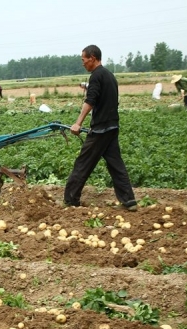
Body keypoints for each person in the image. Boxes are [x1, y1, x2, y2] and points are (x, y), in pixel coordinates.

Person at [63, 45, 138, 211]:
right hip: (112, 127)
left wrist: (78, 123)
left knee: (82, 163)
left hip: (100, 130)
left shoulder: (96, 76)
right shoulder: (110, 75)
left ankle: (70, 199)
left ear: (92, 58)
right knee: (116, 165)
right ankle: (129, 200)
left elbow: (90, 101)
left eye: (84, 60)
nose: (83, 63)